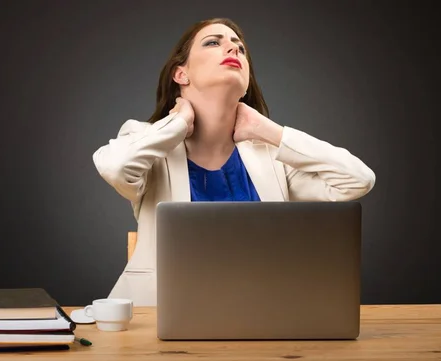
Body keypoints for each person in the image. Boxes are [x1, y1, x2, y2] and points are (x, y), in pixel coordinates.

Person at [92, 18, 376, 306]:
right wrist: (178, 123)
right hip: (157, 317)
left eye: (240, 47)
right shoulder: (147, 141)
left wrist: (268, 131)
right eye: (214, 42)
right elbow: (115, 167)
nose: (233, 48)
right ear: (181, 74)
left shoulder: (272, 158)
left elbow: (357, 180)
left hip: (264, 314)